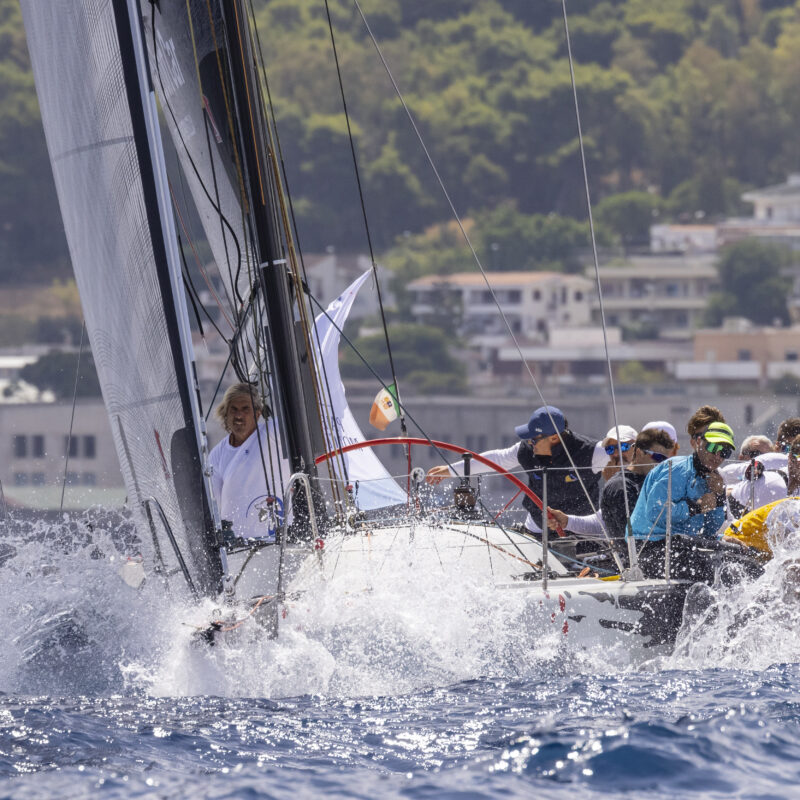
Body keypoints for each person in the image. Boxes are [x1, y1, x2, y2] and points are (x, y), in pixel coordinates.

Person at [426, 405, 599, 535]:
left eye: (534, 439)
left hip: (585, 530)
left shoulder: (590, 452)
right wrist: (450, 470)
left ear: (554, 438)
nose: (530, 443)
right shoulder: (526, 450)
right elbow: (496, 460)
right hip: (538, 529)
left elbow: (621, 458)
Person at [628, 407, 734, 581]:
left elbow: (710, 529)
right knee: (709, 573)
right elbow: (655, 513)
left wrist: (719, 498)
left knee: (737, 565)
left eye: (724, 452)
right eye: (713, 447)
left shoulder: (715, 479)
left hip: (682, 544)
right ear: (699, 442)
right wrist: (696, 507)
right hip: (648, 545)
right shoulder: (675, 469)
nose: (717, 456)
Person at [208, 382, 290, 540]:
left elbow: (301, 417)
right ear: (226, 413)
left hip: (280, 539)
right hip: (240, 546)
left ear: (258, 414)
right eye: (234, 409)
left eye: (246, 409)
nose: (239, 415)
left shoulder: (273, 432)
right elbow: (214, 505)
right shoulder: (216, 455)